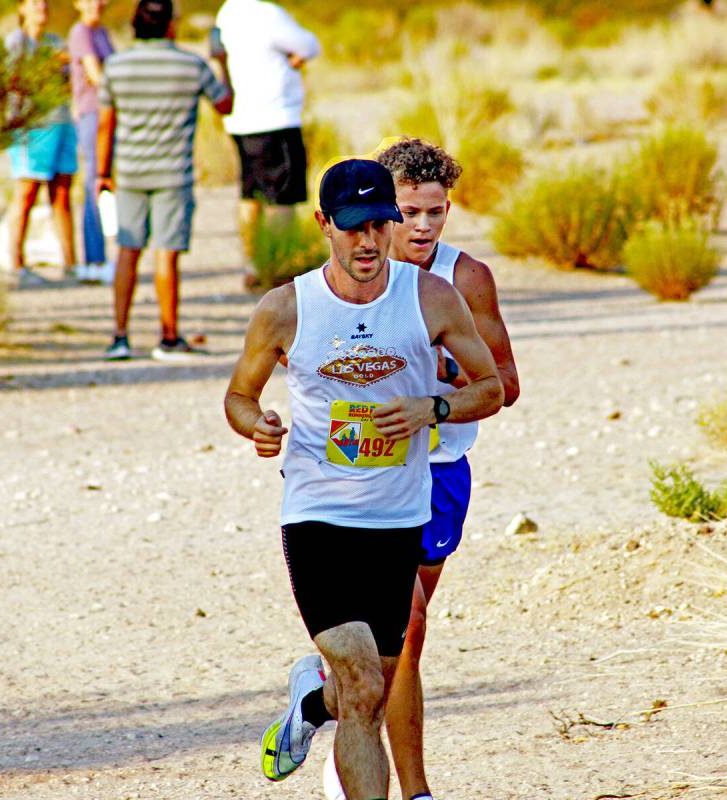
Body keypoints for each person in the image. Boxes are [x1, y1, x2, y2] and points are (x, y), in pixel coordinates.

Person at [224, 159, 505, 800]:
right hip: (317, 512)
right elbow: (238, 395)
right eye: (352, 228)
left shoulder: (431, 297)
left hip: (399, 516)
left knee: (366, 697)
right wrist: (258, 424)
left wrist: (430, 408)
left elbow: (492, 387)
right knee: (360, 676)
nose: (368, 241)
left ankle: (310, 702)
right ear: (324, 224)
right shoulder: (285, 308)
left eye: (380, 224)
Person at [322, 138, 520, 800]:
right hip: (366, 470)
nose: (424, 227)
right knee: (408, 628)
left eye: (437, 212)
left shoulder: (467, 280)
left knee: (389, 647)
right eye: (409, 212)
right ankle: (416, 790)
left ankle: (330, 709)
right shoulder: (352, 276)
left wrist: (437, 391)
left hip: (441, 473)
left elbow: (506, 383)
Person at [96, 0, 233, 361]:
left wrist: (101, 172)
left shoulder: (116, 66)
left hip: (129, 171)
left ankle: (119, 336)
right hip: (174, 173)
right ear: (170, 25)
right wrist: (223, 62)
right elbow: (225, 105)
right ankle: (168, 335)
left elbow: (105, 124)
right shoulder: (191, 65)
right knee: (166, 254)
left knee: (127, 250)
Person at [215, 0, 320, 287]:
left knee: (250, 195)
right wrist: (297, 56)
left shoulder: (228, 11)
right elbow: (310, 44)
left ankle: (252, 264)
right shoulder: (268, 14)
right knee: (280, 198)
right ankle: (277, 266)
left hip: (240, 120)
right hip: (275, 117)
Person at [5, 0, 80, 287]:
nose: (42, 7)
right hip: (31, 126)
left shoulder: (54, 42)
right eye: (35, 2)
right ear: (22, 8)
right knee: (27, 191)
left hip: (61, 120)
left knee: (61, 193)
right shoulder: (16, 43)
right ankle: (16, 263)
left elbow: (67, 81)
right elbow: (13, 83)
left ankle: (70, 264)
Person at [68, 0, 114, 284]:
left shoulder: (103, 32)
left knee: (105, 181)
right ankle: (93, 259)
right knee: (94, 181)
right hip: (92, 114)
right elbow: (96, 75)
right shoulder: (80, 32)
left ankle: (102, 256)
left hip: (108, 113)